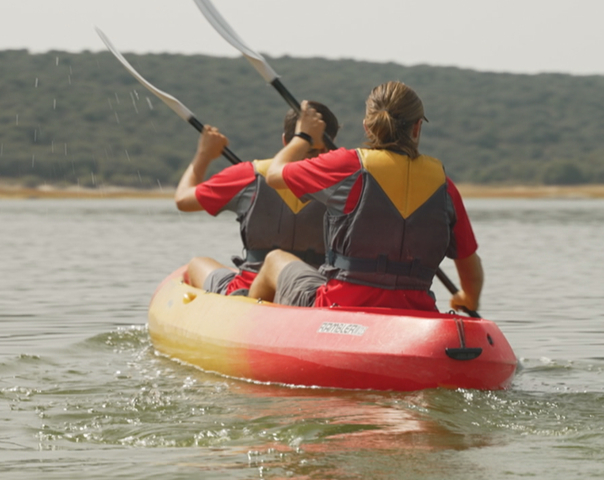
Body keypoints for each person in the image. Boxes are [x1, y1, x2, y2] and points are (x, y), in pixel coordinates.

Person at [248, 82, 483, 313]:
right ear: (417, 127)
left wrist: (303, 136)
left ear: (368, 127)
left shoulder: (347, 166)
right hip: (416, 312)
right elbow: (470, 269)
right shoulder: (444, 185)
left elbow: (274, 175)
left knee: (274, 260)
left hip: (340, 306)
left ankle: (250, 329)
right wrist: (467, 299)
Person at [174, 102, 341, 296]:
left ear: (286, 141)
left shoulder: (247, 175)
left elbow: (183, 199)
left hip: (249, 289)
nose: (316, 159)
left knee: (197, 264)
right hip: (313, 289)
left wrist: (204, 154)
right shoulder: (344, 180)